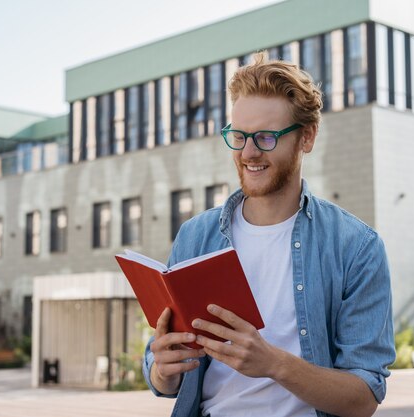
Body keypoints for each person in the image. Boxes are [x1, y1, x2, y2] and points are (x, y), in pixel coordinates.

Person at [143, 51, 395, 417]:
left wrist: (274, 364)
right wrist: (163, 370)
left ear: (306, 137)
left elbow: (363, 399)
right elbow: (163, 371)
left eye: (264, 137)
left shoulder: (356, 247)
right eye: (239, 136)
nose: (248, 153)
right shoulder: (195, 237)